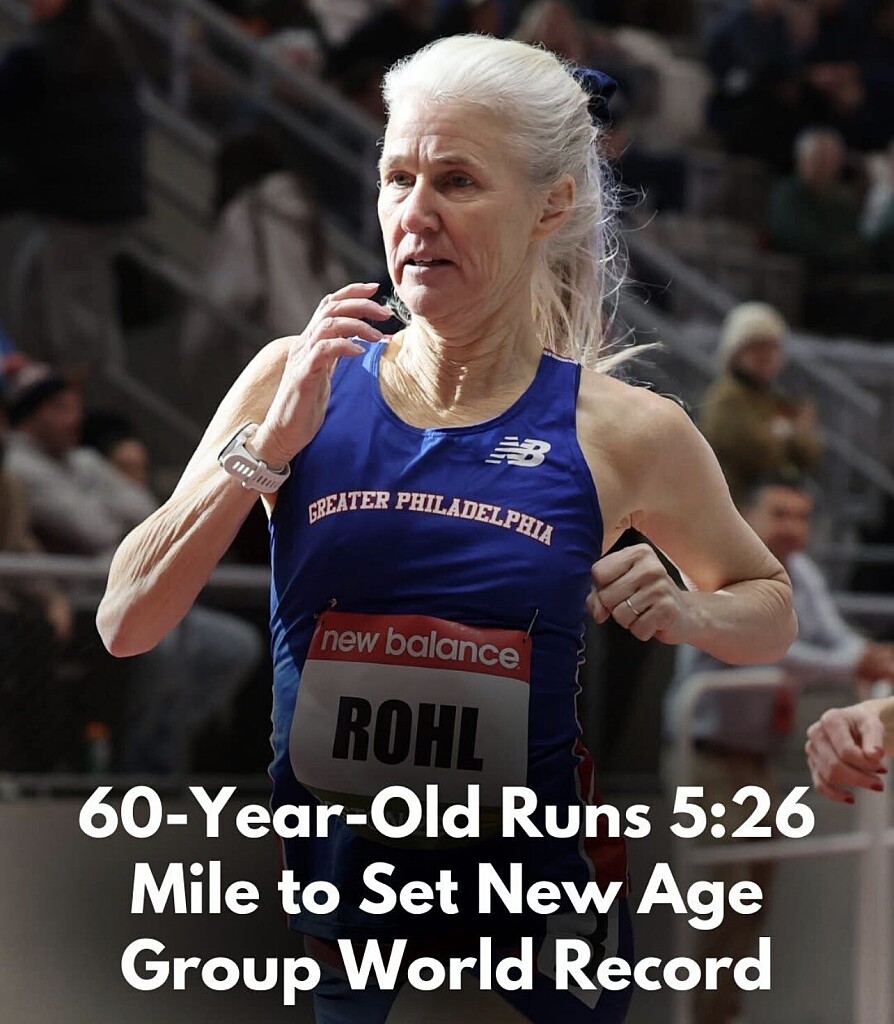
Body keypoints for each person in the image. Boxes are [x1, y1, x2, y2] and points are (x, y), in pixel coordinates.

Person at [97, 36, 796, 1023]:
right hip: (349, 930)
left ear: (550, 204)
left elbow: (770, 606)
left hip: (537, 940)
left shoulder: (627, 430)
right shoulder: (295, 380)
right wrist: (265, 450)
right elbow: (126, 621)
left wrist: (692, 613)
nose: (415, 213)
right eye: (398, 177)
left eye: (457, 181)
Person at [663, 471, 891, 1024]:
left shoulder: (802, 572)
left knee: (753, 899)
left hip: (759, 759)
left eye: (803, 517)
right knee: (719, 897)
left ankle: (719, 1014)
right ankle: (696, 1015)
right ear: (747, 515)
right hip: (707, 756)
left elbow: (833, 635)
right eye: (780, 514)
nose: (793, 527)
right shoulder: (721, 566)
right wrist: (856, 663)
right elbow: (764, 647)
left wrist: (870, 655)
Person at [5, 365, 264, 773]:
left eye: (74, 406)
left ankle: (159, 753)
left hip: (135, 589)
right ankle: (134, 766)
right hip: (82, 605)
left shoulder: (83, 460)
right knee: (159, 651)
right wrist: (119, 520)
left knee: (235, 645)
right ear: (30, 414)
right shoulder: (20, 464)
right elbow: (91, 528)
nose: (73, 417)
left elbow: (152, 513)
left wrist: (117, 518)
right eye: (58, 408)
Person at [0, 0, 146, 375]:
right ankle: (51, 387)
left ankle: (82, 397)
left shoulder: (48, 52)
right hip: (90, 203)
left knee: (77, 325)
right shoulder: (96, 40)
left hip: (80, 207)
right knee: (39, 294)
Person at [698, 301, 821, 509]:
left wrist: (786, 435)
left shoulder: (775, 399)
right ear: (736, 352)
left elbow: (809, 453)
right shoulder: (726, 397)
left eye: (772, 348)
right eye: (756, 347)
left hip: (769, 507)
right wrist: (790, 433)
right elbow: (755, 453)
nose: (766, 356)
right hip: (735, 506)